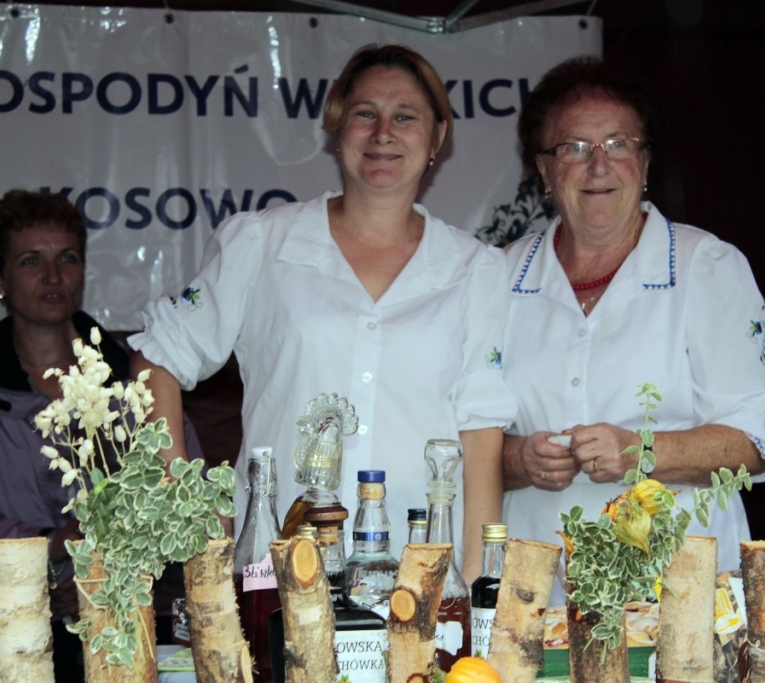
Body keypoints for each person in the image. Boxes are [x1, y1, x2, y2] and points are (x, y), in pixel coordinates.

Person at [129, 44, 516, 577]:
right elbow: (157, 358)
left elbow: (481, 439)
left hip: (420, 578)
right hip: (277, 571)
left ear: (437, 138)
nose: (383, 133)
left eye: (405, 116)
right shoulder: (261, 243)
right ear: (337, 129)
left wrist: (475, 588)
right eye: (365, 114)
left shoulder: (475, 269)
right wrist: (186, 502)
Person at [501, 57, 765, 603]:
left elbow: (754, 444)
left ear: (646, 161)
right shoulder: (499, 276)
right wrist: (518, 460)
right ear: (544, 171)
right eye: (574, 147)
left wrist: (641, 451)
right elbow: (458, 441)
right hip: (536, 593)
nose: (598, 165)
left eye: (618, 144)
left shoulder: (707, 267)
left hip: (683, 588)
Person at [0, 190, 202, 681]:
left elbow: (184, 502)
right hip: (1, 629)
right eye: (30, 261)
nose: (53, 276)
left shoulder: (135, 376)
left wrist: (105, 577)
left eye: (67, 258)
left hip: (129, 621)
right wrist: (47, 548)